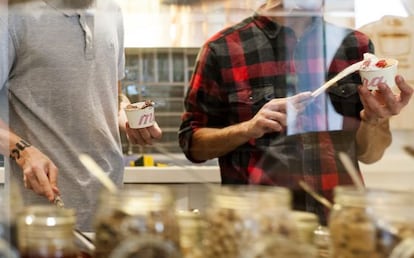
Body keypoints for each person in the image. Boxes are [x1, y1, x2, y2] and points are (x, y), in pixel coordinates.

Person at [178, 0, 413, 224]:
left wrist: (375, 119)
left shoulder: (354, 45)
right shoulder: (223, 49)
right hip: (258, 227)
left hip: (339, 222)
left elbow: (370, 154)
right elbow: (192, 145)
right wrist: (249, 128)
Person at [0, 0, 162, 231]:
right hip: (40, 220)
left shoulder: (112, 11)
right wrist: (23, 152)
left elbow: (112, 95)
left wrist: (127, 117)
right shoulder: (11, 13)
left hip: (108, 211)